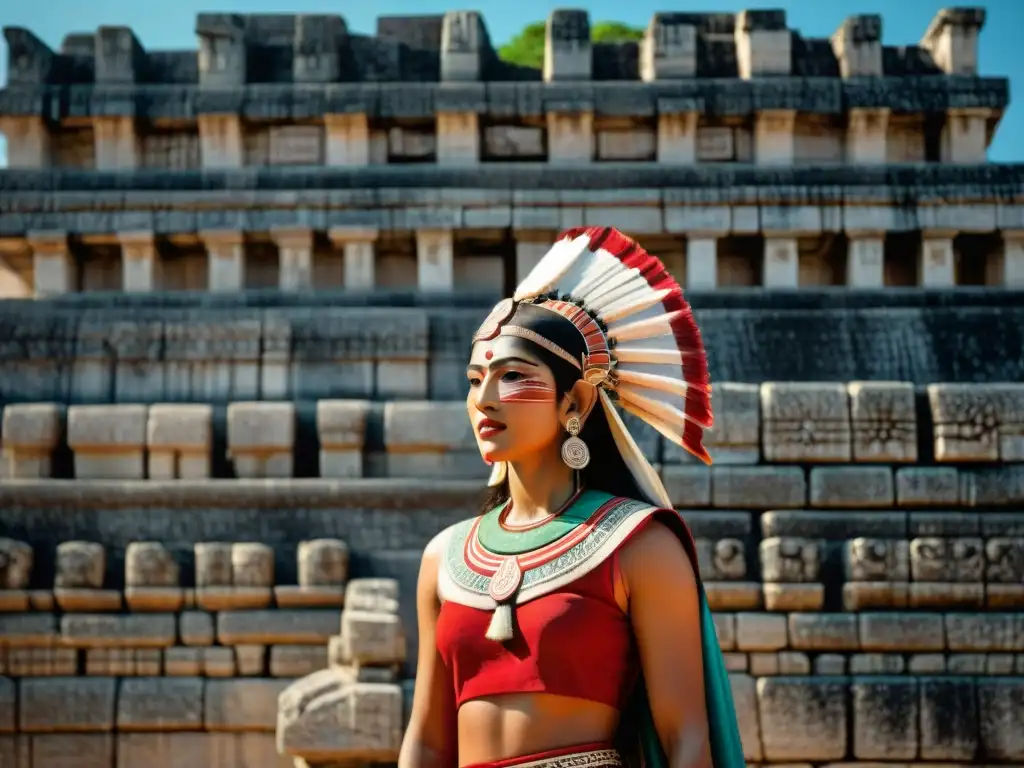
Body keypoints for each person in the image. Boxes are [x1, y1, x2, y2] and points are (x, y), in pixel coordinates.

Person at [399, 226, 745, 768]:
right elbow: (425, 741)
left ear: (576, 398)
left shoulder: (639, 546)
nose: (484, 399)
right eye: (474, 378)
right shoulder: (443, 557)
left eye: (513, 375)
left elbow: (687, 739)